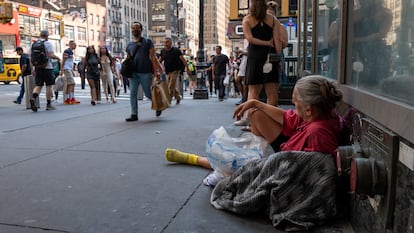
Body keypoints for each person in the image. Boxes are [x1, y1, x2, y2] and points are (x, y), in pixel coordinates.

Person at [166, 75, 344, 183]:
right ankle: (249, 153)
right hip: (286, 151)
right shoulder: (314, 115)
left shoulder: (318, 133)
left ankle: (194, 159)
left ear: (308, 108)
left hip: (283, 166)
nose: (292, 104)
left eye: (295, 101)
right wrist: (254, 102)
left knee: (233, 163)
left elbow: (308, 172)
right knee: (255, 113)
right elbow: (286, 117)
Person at [243, 0, 282, 106]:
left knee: (253, 91)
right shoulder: (274, 20)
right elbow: (277, 42)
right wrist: (278, 60)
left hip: (254, 56)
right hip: (270, 56)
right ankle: (271, 119)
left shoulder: (247, 20)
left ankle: (253, 120)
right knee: (272, 91)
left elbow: (250, 39)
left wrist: (264, 43)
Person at [125, 21, 163, 121]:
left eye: (137, 27)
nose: (135, 29)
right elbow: (128, 59)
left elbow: (153, 57)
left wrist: (156, 72)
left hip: (145, 72)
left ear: (141, 30)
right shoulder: (129, 45)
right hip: (133, 73)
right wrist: (127, 71)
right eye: (133, 28)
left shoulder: (148, 42)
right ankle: (134, 114)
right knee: (133, 93)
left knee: (148, 93)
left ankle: (158, 106)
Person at [29, 30, 61, 112]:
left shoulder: (33, 44)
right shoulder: (48, 43)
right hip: (47, 67)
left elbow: (31, 58)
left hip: (38, 67)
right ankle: (48, 104)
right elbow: (51, 55)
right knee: (49, 86)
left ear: (40, 35)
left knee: (38, 85)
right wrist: (57, 57)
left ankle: (33, 97)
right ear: (47, 36)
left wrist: (33, 68)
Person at [159, 37, 191, 105]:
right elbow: (159, 61)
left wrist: (187, 69)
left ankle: (168, 101)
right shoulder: (163, 51)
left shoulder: (176, 50)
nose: (165, 44)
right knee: (171, 86)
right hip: (167, 71)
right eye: (164, 42)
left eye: (167, 42)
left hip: (175, 71)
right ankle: (178, 97)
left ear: (171, 43)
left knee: (170, 86)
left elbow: (183, 60)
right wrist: (156, 69)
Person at [61, 40, 80, 105]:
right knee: (72, 83)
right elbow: (63, 60)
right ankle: (69, 99)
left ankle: (69, 98)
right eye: (74, 44)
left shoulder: (71, 52)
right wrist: (61, 69)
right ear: (70, 44)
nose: (75, 46)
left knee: (70, 84)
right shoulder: (67, 51)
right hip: (67, 69)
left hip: (69, 69)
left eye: (75, 45)